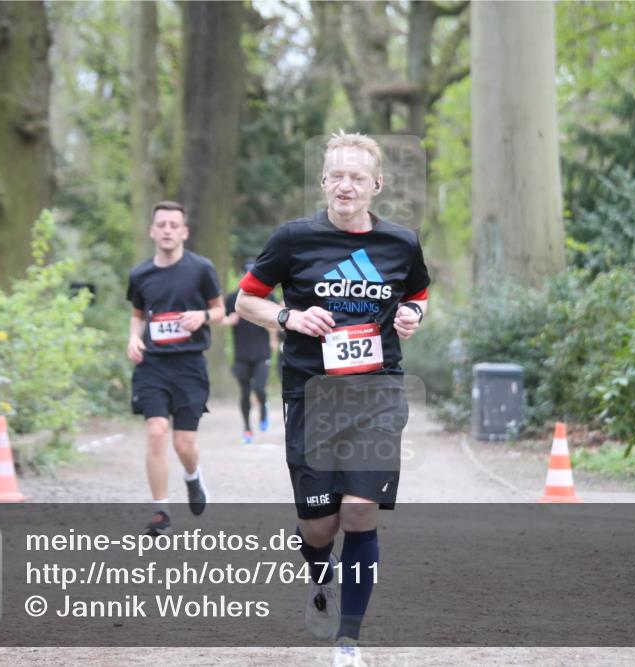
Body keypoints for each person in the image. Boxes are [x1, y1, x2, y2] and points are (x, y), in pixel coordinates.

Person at [236, 131, 429, 667]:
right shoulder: (293, 239)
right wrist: (290, 317)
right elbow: (246, 299)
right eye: (337, 176)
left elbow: (417, 292)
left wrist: (413, 314)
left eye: (357, 177)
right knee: (319, 525)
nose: (346, 185)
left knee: (361, 509)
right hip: (312, 394)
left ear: (376, 185)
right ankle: (321, 575)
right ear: (323, 182)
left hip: (377, 392)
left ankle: (349, 641)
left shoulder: (401, 243)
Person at [126, 200, 223, 535]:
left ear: (184, 232)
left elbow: (220, 311)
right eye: (162, 225)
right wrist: (133, 338)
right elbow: (138, 315)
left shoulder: (201, 269)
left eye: (173, 225)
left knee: (183, 444)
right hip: (152, 365)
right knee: (156, 432)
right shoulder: (140, 274)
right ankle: (161, 511)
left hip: (190, 366)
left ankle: (193, 477)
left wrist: (203, 316)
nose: (167, 230)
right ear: (152, 231)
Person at [222, 262, 279, 443]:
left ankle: (263, 409)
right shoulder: (233, 298)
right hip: (242, 353)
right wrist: (228, 321)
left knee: (259, 388)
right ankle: (247, 429)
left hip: (262, 352)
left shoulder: (269, 296)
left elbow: (279, 318)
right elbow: (220, 317)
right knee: (245, 392)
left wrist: (273, 338)